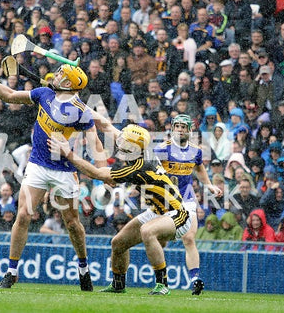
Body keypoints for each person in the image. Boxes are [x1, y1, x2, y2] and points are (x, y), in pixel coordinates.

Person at [0, 57, 106, 291]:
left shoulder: (81, 113)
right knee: (23, 214)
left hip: (64, 169)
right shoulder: (44, 93)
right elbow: (10, 95)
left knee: (72, 224)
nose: (57, 75)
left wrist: (104, 174)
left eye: (62, 75)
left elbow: (96, 147)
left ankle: (83, 267)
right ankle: (12, 271)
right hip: (37, 164)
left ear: (70, 84)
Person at [49, 122, 191, 295]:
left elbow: (97, 174)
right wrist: (85, 110)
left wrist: (68, 153)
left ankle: (163, 285)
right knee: (118, 243)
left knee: (147, 231)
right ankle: (118, 285)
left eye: (125, 141)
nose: (120, 143)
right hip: (156, 211)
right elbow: (108, 127)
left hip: (177, 214)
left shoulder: (137, 167)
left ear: (133, 147)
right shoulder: (142, 151)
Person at [154, 114, 222, 295]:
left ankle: (195, 279)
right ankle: (161, 282)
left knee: (189, 238)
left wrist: (209, 185)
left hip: (187, 199)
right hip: (165, 199)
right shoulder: (162, 149)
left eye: (184, 127)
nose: (180, 130)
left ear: (189, 130)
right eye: (177, 126)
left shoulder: (196, 151)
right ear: (172, 129)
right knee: (160, 241)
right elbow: (151, 171)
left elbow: (199, 169)